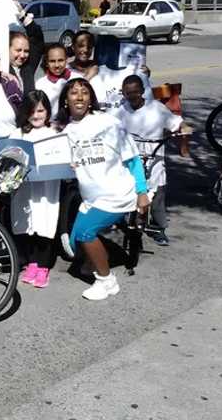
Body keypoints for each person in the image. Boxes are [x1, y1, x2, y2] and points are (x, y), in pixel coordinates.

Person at [57, 78, 150, 300]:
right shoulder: (66, 131)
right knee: (73, 242)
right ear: (65, 101)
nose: (79, 97)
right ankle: (95, 260)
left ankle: (107, 281)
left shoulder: (108, 122)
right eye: (73, 93)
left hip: (116, 194)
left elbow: (132, 158)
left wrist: (142, 192)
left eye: (84, 93)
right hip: (91, 198)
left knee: (85, 233)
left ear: (91, 100)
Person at [113, 74, 191, 246]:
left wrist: (183, 128)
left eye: (135, 92)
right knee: (124, 190)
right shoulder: (119, 111)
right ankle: (120, 221)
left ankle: (159, 228)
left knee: (157, 194)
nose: (132, 96)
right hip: (130, 160)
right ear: (123, 93)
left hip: (153, 159)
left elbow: (176, 122)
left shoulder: (156, 109)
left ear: (142, 91)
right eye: (128, 93)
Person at [10, 91, 61, 289]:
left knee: (45, 224)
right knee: (27, 225)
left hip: (47, 188)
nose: (37, 115)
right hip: (25, 188)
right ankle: (31, 262)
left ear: (47, 111)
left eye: (40, 110)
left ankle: (44, 265)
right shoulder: (19, 134)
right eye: (32, 111)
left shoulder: (55, 133)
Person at [35, 43, 82, 121]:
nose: (57, 65)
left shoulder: (77, 78)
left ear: (66, 59)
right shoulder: (40, 85)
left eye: (60, 60)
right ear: (47, 63)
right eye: (52, 61)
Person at [8, 3, 44, 96]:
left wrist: (23, 16)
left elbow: (37, 38)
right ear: (8, 48)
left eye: (26, 51)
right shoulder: (0, 68)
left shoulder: (28, 67)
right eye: (18, 50)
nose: (23, 55)